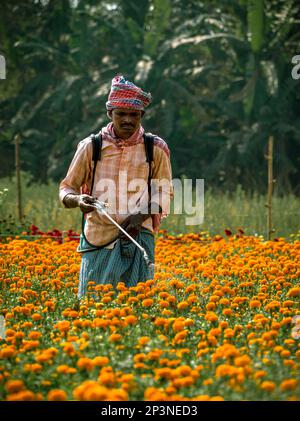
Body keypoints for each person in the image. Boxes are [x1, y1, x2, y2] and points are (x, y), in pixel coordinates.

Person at [59, 75, 173, 299]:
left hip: (139, 236)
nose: (128, 120)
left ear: (142, 115)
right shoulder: (91, 146)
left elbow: (165, 192)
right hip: (99, 237)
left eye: (134, 115)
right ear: (110, 114)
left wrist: (139, 217)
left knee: (138, 305)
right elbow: (66, 188)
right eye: (121, 114)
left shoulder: (156, 148)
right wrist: (78, 200)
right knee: (94, 305)